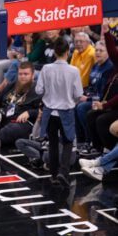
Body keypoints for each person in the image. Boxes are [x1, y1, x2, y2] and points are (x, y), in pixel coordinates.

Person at [36, 37, 83, 187]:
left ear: (54, 52)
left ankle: (54, 175)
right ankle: (64, 172)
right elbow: (78, 95)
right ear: (68, 52)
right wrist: (71, 102)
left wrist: (49, 96)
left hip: (50, 112)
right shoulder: (74, 71)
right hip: (66, 112)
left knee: (53, 143)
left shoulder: (46, 69)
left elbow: (39, 90)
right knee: (68, 142)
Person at [0, 61, 42, 150]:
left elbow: (43, 110)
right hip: (3, 116)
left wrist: (29, 112)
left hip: (21, 122)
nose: (22, 77)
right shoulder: (13, 85)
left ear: (32, 75)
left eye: (26, 74)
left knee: (11, 129)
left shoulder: (38, 90)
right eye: (20, 74)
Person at [75, 40, 113, 155]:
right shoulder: (96, 65)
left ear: (108, 53)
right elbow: (91, 86)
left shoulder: (109, 68)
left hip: (102, 100)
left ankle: (89, 140)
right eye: (96, 50)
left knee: (82, 108)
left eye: (101, 51)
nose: (98, 53)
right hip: (92, 96)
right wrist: (84, 94)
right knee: (74, 105)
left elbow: (104, 93)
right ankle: (80, 141)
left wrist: (88, 99)